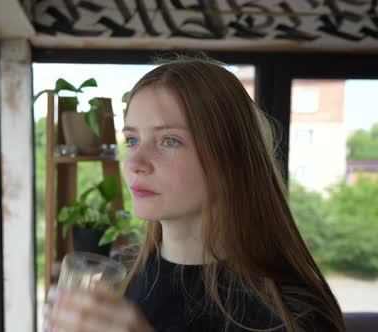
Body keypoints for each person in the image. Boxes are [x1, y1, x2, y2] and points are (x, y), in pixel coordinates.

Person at [43, 56, 346, 332]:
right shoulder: (124, 275)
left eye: (169, 140)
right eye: (132, 139)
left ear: (231, 158)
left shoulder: (297, 314)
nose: (135, 163)